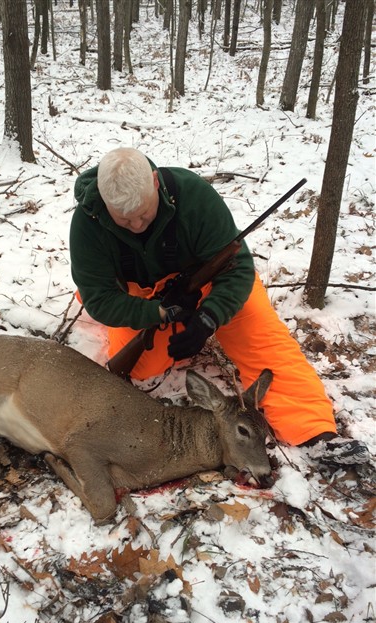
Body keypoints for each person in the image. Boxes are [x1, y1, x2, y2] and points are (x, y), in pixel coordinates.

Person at [69, 147, 369, 466]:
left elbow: (237, 267)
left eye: (143, 214)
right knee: (142, 366)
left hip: (207, 281)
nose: (137, 225)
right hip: (141, 298)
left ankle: (313, 431)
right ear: (103, 201)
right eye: (124, 220)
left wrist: (208, 319)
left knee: (258, 331)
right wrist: (158, 313)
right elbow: (101, 298)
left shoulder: (194, 196)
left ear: (155, 183)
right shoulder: (87, 224)